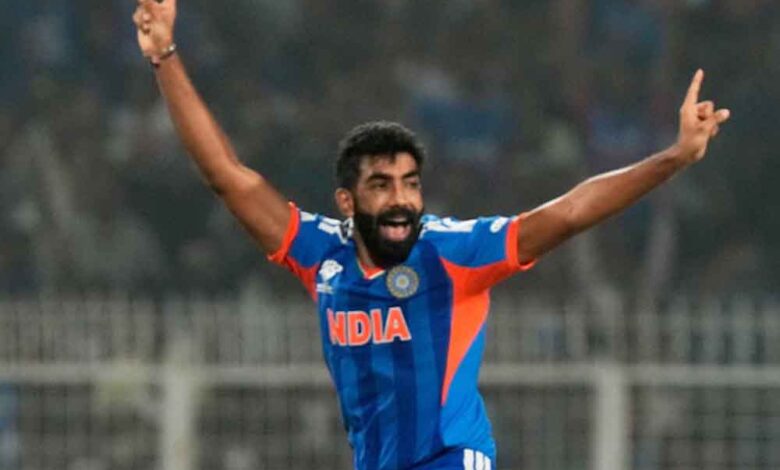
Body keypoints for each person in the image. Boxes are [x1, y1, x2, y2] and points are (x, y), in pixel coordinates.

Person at [132, 1, 730, 469]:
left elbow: (569, 212)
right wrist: (165, 57)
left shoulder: (451, 253)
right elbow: (228, 176)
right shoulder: (322, 254)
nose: (401, 199)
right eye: (382, 185)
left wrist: (673, 158)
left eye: (411, 184)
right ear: (347, 202)